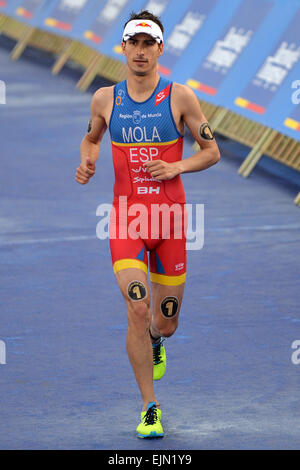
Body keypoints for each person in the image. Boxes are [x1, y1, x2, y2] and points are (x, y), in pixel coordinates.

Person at [76, 10, 220, 438]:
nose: (140, 52)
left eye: (148, 44)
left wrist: (177, 165)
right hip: (127, 221)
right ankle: (149, 406)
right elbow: (91, 137)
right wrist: (88, 159)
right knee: (137, 308)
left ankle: (157, 338)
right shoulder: (105, 99)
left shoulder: (181, 97)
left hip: (171, 221)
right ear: (122, 48)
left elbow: (211, 152)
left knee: (166, 322)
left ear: (160, 49)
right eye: (133, 43)